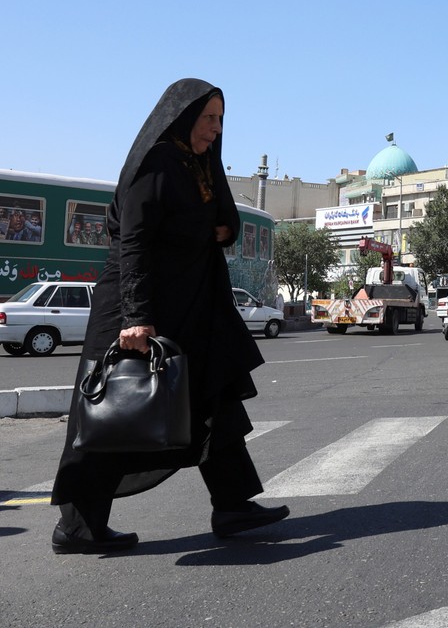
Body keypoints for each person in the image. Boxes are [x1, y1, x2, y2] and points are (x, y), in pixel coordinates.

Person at [50, 79, 289, 554]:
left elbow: (222, 222)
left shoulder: (196, 165)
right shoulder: (156, 165)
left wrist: (220, 229)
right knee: (112, 411)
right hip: (138, 308)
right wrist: (136, 318)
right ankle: (78, 527)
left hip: (192, 309)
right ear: (182, 118)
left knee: (213, 400)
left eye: (221, 120)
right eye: (208, 118)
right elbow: (133, 242)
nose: (215, 130)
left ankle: (234, 503)